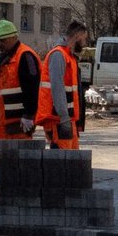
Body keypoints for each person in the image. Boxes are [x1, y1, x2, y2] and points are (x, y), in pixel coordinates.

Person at [0, 19, 42, 210]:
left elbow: (33, 88)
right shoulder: (1, 59)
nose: (0, 44)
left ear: (13, 37)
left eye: (3, 40)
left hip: (17, 124)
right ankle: (2, 197)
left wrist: (29, 115)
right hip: (0, 126)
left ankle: (21, 198)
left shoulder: (25, 57)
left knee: (19, 162)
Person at [36, 20, 88, 149]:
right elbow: (57, 88)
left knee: (71, 161)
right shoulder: (59, 55)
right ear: (77, 35)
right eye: (84, 39)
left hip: (65, 119)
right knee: (62, 161)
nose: (85, 43)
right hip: (59, 120)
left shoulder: (67, 56)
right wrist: (64, 118)